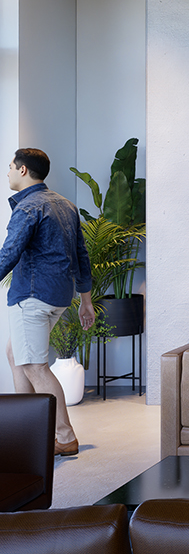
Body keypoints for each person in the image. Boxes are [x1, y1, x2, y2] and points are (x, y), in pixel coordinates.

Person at [1, 148, 96, 456]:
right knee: (16, 354)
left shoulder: (29, 207)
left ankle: (64, 437)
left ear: (24, 170)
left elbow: (10, 252)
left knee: (35, 366)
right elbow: (81, 256)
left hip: (32, 295)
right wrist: (86, 300)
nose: (8, 172)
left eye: (11, 167)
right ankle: (28, 432)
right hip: (57, 296)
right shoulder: (65, 205)